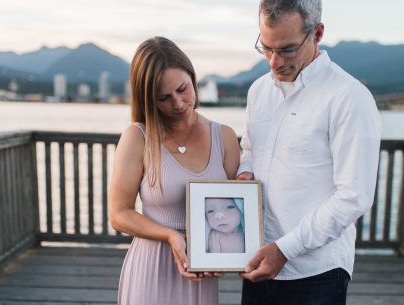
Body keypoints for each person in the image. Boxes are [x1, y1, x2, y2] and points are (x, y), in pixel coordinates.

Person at [237, 0, 382, 304]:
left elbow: (353, 196)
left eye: (287, 49)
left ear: (317, 33)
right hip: (260, 261)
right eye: (266, 48)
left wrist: (285, 249)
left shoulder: (350, 97)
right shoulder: (258, 91)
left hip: (317, 273)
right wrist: (244, 170)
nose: (274, 62)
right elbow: (249, 148)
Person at [108, 36, 241, 305]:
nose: (178, 103)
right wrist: (171, 236)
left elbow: (237, 208)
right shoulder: (137, 137)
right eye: (164, 98)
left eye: (183, 89)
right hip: (151, 270)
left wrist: (225, 257)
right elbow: (118, 214)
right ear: (148, 100)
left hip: (200, 273)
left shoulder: (224, 137)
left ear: (193, 78)